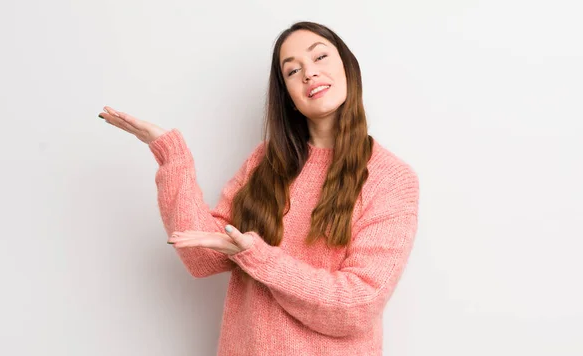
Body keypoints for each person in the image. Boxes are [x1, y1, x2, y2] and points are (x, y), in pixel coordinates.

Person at [98, 21, 419, 356]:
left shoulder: (391, 178)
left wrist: (257, 256)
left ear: (349, 69)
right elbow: (201, 257)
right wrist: (171, 155)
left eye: (320, 57)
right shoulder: (264, 162)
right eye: (293, 70)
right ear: (289, 96)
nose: (309, 73)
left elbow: (356, 307)